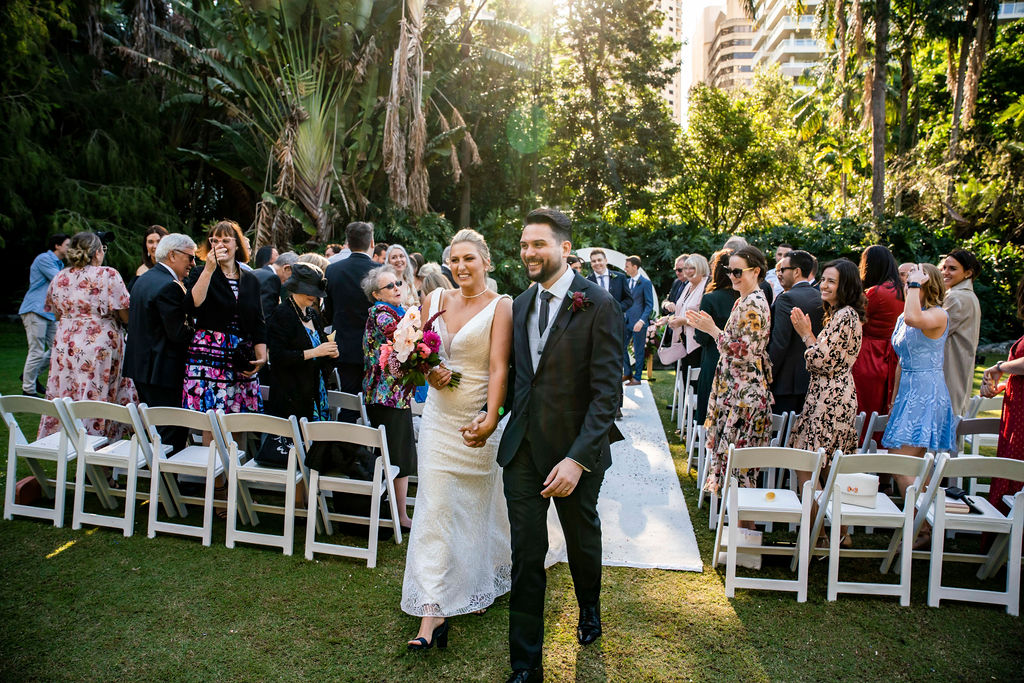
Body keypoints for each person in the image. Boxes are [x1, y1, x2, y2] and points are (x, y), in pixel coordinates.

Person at [488, 208, 623, 683]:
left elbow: (608, 394)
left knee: (582, 537)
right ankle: (525, 666)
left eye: (538, 244)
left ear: (565, 249)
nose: (528, 252)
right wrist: (485, 416)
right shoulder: (520, 304)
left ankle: (589, 607)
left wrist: (577, 459)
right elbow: (516, 379)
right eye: (524, 245)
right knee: (526, 554)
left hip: (576, 451)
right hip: (523, 449)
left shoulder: (599, 303)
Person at [400, 229, 514, 650]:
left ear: (486, 260)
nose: (460, 267)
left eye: (469, 259)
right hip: (438, 420)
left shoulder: (502, 306)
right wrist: (429, 372)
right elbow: (419, 356)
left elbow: (500, 368)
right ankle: (432, 613)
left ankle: (476, 580)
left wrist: (490, 417)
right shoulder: (434, 301)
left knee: (475, 509)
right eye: (454, 260)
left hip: (478, 420)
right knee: (435, 507)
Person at [788, 259, 865, 543]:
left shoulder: (845, 316)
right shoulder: (840, 315)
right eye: (823, 279)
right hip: (828, 395)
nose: (824, 284)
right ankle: (831, 533)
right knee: (823, 467)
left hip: (830, 399)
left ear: (845, 285)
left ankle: (817, 534)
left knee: (807, 465)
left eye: (831, 281)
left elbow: (823, 360)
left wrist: (807, 335)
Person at [687, 246, 773, 495]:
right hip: (735, 391)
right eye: (729, 270)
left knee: (740, 474)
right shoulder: (744, 299)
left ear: (755, 271)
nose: (732, 276)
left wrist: (712, 329)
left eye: (738, 271)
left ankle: (745, 531)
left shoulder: (753, 304)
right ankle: (739, 529)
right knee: (733, 472)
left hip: (744, 397)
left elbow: (746, 352)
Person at [38, 232, 138, 439]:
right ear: (98, 252)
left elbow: (56, 312)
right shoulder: (107, 274)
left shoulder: (60, 277)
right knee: (96, 394)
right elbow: (126, 314)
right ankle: (96, 449)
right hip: (98, 343)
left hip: (65, 344)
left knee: (66, 391)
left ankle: (66, 443)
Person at [882, 264, 956, 518]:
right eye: (907, 281)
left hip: (927, 391)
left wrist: (914, 285)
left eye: (914, 282)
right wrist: (894, 401)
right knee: (908, 463)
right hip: (907, 392)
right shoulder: (903, 317)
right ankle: (924, 523)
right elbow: (902, 361)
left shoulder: (938, 315)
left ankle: (921, 523)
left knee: (900, 462)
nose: (907, 285)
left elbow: (916, 319)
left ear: (927, 285)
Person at [182, 220, 267, 414]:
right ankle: (209, 447)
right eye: (215, 240)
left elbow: (258, 321)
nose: (220, 245)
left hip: (240, 354)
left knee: (237, 416)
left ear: (237, 244)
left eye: (226, 240)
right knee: (211, 417)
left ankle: (234, 447)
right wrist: (209, 269)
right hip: (209, 352)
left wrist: (262, 355)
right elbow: (193, 305)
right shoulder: (200, 272)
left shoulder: (251, 279)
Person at [123, 233, 197, 450]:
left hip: (141, 366)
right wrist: (200, 333)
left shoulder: (143, 280)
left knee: (153, 425)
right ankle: (166, 478)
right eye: (190, 258)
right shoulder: (169, 285)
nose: (193, 263)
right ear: (173, 255)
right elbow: (178, 333)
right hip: (163, 368)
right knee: (170, 428)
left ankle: (154, 469)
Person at [361, 266, 416, 531]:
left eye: (398, 283)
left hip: (391, 396)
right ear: (376, 294)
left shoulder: (393, 312)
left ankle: (395, 511)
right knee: (398, 456)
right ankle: (400, 516)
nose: (397, 288)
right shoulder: (381, 313)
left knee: (397, 454)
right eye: (390, 286)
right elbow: (402, 337)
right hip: (388, 397)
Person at [265, 264, 338, 421]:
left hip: (316, 393)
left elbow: (322, 357)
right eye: (308, 290)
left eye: (315, 292)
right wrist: (314, 352)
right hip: (291, 396)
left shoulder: (313, 314)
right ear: (295, 287)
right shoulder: (281, 314)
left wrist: (331, 353)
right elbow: (277, 357)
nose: (313, 296)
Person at [324, 221, 379, 414]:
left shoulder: (333, 270)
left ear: (347, 242)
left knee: (349, 402)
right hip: (375, 348)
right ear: (372, 242)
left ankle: (347, 442)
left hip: (345, 347)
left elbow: (328, 314)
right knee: (375, 402)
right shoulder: (380, 271)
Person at [981, 274, 1024, 514]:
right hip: (1016, 406)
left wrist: (997, 367)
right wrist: (1005, 386)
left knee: (1017, 465)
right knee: (1011, 461)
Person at [768, 249, 823, 414]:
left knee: (781, 437)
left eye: (783, 270)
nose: (779, 274)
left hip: (785, 382)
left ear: (797, 272)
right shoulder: (819, 296)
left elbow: (779, 342)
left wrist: (767, 375)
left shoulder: (786, 298)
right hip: (810, 380)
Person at [852, 245, 904, 417]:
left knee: (864, 407)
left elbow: (856, 321)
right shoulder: (902, 291)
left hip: (869, 354)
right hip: (891, 355)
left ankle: (862, 442)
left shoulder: (875, 292)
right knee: (882, 407)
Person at [18, 233, 69, 397]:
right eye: (67, 245)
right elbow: (59, 280)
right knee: (37, 351)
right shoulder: (44, 259)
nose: (70, 249)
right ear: (57, 246)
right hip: (35, 309)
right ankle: (28, 390)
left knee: (58, 348)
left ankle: (29, 375)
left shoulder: (60, 263)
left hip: (49, 313)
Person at [694, 249, 739, 426]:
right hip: (738, 363)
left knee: (709, 408)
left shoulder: (710, 298)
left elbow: (701, 337)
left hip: (713, 359)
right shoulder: (744, 298)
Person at [940, 249, 982, 416]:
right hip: (959, 367)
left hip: (950, 368)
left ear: (968, 273)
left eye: (952, 268)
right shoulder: (966, 295)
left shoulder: (957, 297)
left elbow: (935, 333)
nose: (945, 272)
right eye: (944, 267)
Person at [661, 254, 709, 373]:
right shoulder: (687, 286)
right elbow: (681, 309)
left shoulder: (706, 287)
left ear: (701, 268)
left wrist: (683, 321)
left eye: (692, 268)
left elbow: (703, 317)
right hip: (683, 339)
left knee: (694, 380)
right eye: (685, 268)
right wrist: (668, 319)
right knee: (684, 378)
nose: (687, 271)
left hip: (697, 342)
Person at [621, 255, 654, 386]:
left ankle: (638, 377)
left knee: (639, 350)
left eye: (627, 266)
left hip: (639, 322)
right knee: (621, 346)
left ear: (635, 267)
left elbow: (649, 304)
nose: (625, 269)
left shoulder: (645, 283)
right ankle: (628, 372)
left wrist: (641, 321)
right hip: (626, 321)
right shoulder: (626, 281)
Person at [253, 250, 297, 322]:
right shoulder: (272, 279)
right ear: (286, 268)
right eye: (293, 276)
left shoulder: (256, 272)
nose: (291, 281)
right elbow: (265, 316)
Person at [587, 249, 631, 314]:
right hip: (596, 321)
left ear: (606, 261)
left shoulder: (620, 277)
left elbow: (629, 299)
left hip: (616, 320)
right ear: (591, 264)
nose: (597, 263)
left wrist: (617, 309)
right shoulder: (587, 281)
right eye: (594, 261)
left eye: (599, 260)